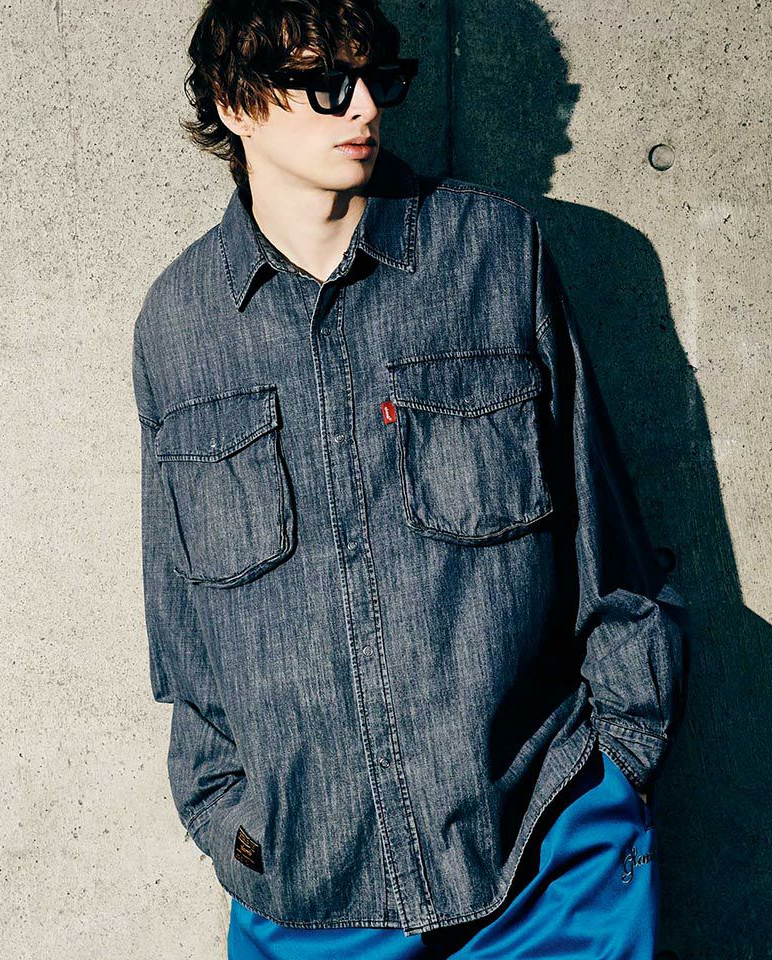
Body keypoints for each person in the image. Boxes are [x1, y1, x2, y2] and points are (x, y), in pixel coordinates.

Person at [131, 1, 690, 956]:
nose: (362, 108)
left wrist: (620, 766)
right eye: (324, 82)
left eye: (373, 78)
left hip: (545, 860)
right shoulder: (177, 328)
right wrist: (228, 817)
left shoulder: (492, 254)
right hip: (310, 887)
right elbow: (183, 630)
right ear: (233, 102)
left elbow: (610, 544)